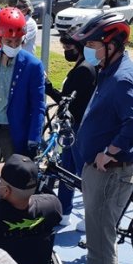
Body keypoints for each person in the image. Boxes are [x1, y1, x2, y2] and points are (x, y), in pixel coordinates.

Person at [68, 13, 133, 264]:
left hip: (110, 173)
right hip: (102, 171)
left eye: (93, 43)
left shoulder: (124, 77)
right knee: (104, 238)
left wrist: (110, 151)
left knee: (100, 243)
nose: (88, 48)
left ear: (112, 45)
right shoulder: (109, 69)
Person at [0, 7, 45, 160]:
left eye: (17, 41)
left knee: (11, 181)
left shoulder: (33, 65)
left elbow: (38, 106)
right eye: (8, 41)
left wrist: (34, 139)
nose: (13, 45)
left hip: (14, 133)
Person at [44, 26, 95, 229]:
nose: (66, 51)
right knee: (67, 170)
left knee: (82, 173)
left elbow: (67, 101)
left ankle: (89, 215)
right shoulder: (83, 66)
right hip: (72, 127)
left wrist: (48, 88)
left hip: (78, 128)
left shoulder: (85, 70)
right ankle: (64, 211)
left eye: (68, 47)